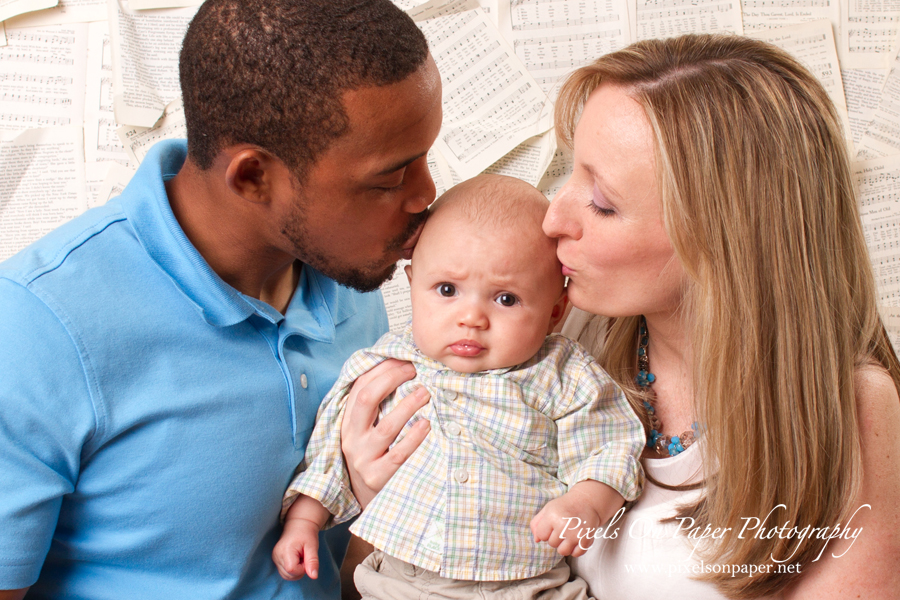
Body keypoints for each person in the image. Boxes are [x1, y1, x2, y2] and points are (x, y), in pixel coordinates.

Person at [341, 34, 900, 598]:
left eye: (602, 203)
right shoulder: (557, 337)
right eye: (569, 174)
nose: (553, 217)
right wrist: (378, 491)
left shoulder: (850, 410)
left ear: (723, 242)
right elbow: (365, 583)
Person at [0, 0, 441, 598]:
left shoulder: (352, 269)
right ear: (252, 176)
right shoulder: (35, 325)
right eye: (390, 178)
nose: (427, 195)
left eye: (425, 158)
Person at [273, 175, 645, 599]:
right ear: (412, 286)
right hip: (401, 580)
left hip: (526, 582)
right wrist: (304, 521)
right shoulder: (383, 364)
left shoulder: (560, 374)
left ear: (556, 311)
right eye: (447, 289)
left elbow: (611, 445)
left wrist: (585, 503)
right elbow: (329, 449)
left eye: (506, 299)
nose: (472, 317)